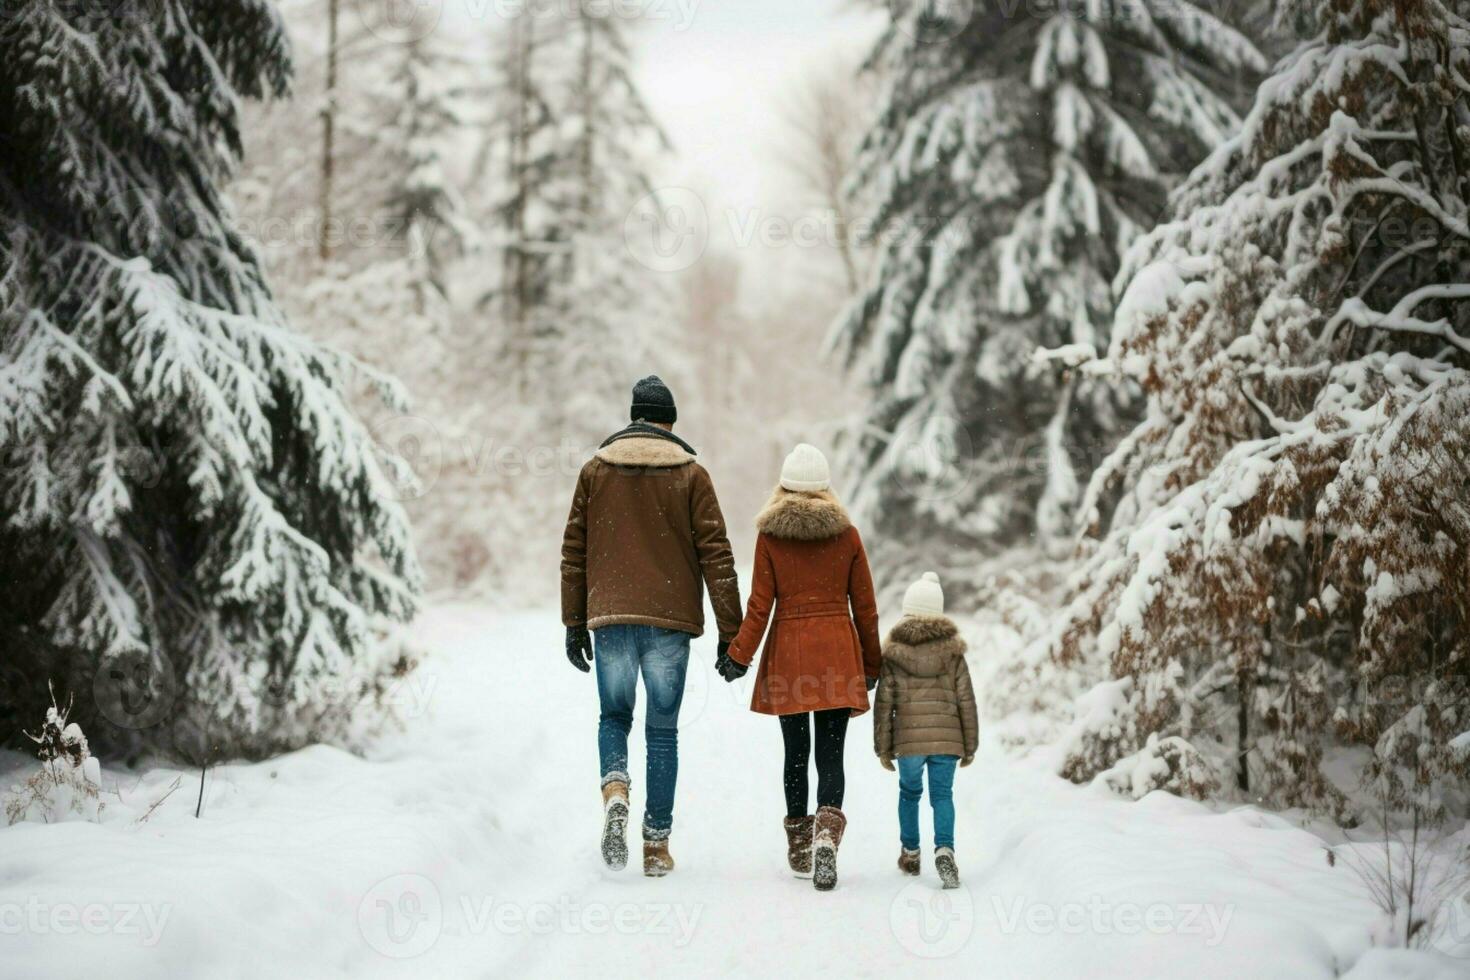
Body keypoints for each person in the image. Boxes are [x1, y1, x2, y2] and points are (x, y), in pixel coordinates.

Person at [561, 376, 742, 877]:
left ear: (633, 416)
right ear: (669, 424)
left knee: (614, 718)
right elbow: (718, 557)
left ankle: (615, 787)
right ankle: (656, 846)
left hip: (611, 617)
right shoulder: (691, 476)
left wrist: (574, 622)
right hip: (669, 623)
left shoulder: (595, 472)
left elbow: (573, 552)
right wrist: (734, 634)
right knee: (661, 733)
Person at [718, 443, 881, 892]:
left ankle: (801, 845)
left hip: (791, 654)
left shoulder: (771, 537)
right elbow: (865, 608)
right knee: (831, 754)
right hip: (836, 652)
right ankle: (828, 838)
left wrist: (738, 656)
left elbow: (759, 607)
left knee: (796, 753)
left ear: (784, 487)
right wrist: (871, 663)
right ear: (826, 487)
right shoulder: (846, 535)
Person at [872, 571, 977, 889]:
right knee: (942, 795)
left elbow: (884, 704)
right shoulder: (954, 654)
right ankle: (944, 849)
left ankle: (911, 852)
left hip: (909, 744)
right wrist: (969, 745)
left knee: (910, 793)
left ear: (907, 611)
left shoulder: (893, 653)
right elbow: (966, 702)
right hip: (947, 742)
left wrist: (883, 747)